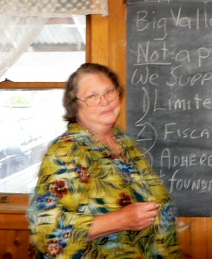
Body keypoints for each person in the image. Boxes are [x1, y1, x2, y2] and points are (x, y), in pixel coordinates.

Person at [27, 63, 181, 258]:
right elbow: (47, 233)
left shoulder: (124, 143)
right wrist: (121, 220)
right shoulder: (66, 151)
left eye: (109, 91)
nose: (105, 101)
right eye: (92, 96)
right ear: (75, 105)